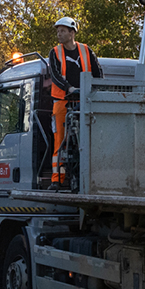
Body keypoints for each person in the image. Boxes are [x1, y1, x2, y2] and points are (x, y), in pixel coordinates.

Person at [48, 16, 102, 188]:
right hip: (62, 101)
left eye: (62, 31)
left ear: (72, 32)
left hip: (85, 102)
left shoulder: (86, 50)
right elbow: (55, 76)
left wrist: (94, 91)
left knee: (85, 140)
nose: (59, 34)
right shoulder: (55, 52)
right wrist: (69, 88)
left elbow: (98, 73)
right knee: (60, 140)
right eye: (58, 31)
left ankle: (86, 178)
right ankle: (57, 180)